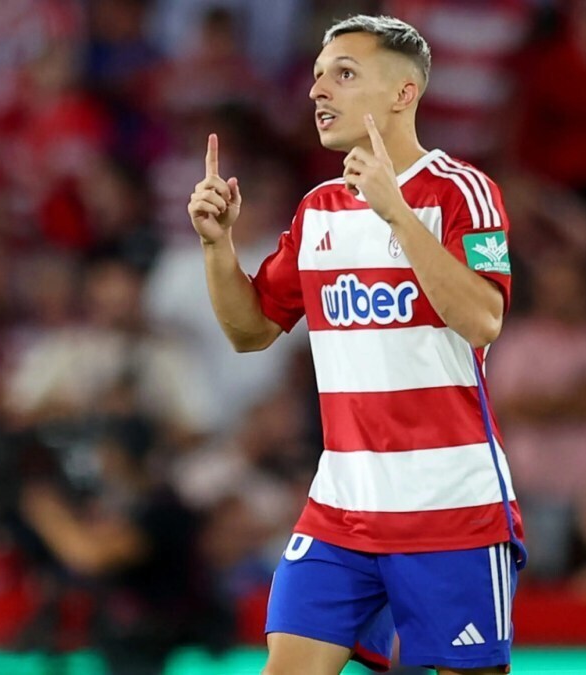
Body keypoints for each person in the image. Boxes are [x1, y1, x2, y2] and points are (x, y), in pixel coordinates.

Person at [187, 14, 525, 675]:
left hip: (450, 508)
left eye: (344, 74)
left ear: (403, 94)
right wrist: (217, 247)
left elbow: (484, 318)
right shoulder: (319, 210)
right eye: (317, 76)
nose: (319, 90)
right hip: (342, 508)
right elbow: (250, 330)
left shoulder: (465, 193)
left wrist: (396, 210)